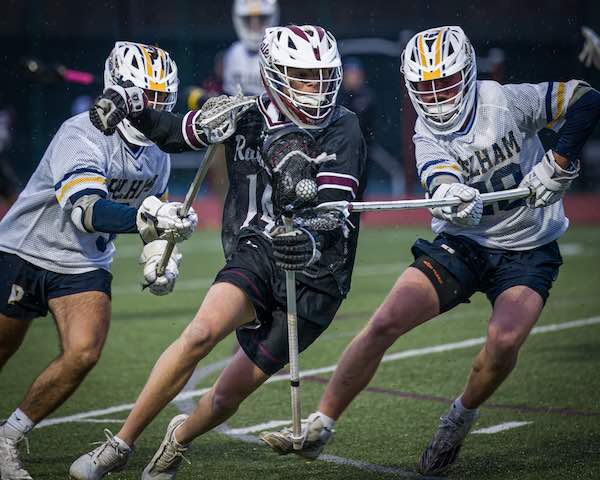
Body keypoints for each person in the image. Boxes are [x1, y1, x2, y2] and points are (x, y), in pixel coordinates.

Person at [261, 25, 600, 475]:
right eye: (426, 87)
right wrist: (450, 195)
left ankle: (459, 418)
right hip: (464, 244)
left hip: (528, 247)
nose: (437, 96)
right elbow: (439, 178)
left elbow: (586, 98)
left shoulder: (505, 100)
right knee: (385, 321)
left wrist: (559, 162)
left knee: (504, 341)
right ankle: (322, 422)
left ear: (468, 73)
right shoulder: (426, 132)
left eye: (446, 82)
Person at [69, 24, 366, 480]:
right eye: (304, 78)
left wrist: (308, 239)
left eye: (324, 78)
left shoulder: (343, 126)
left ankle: (179, 438)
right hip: (258, 248)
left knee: (228, 396)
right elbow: (173, 131)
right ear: (273, 76)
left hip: (320, 274)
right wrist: (131, 106)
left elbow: (333, 211)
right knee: (199, 334)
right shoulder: (245, 115)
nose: (317, 89)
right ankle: (121, 444)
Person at [0, 41, 198, 480]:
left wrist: (160, 258)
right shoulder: (81, 133)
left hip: (84, 262)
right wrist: (151, 219)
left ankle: (7, 438)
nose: (154, 109)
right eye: (146, 97)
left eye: (161, 99)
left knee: (84, 352)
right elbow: (86, 211)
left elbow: (155, 212)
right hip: (25, 250)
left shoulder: (158, 153)